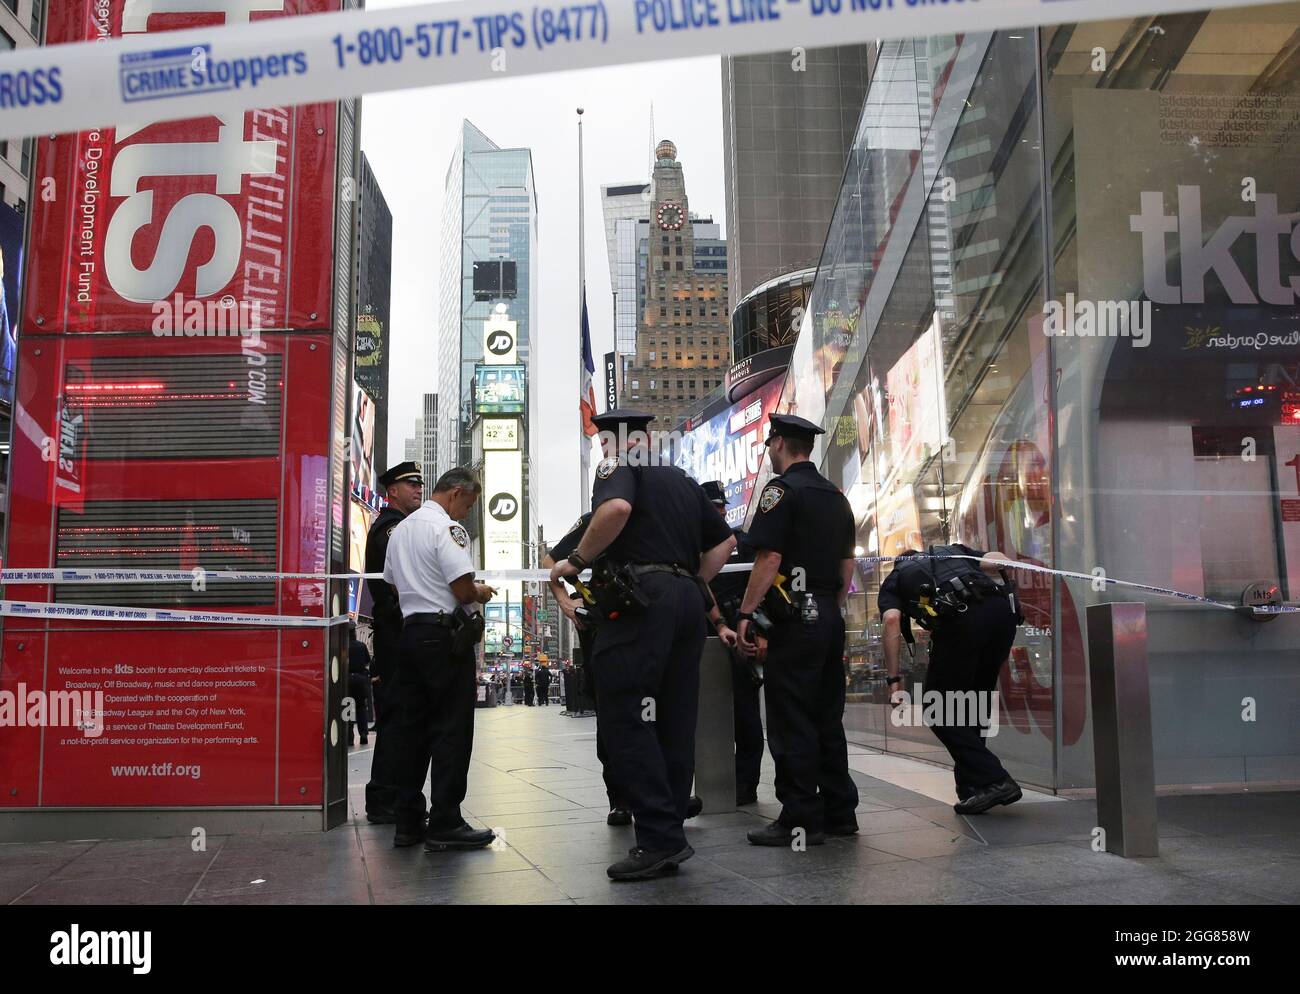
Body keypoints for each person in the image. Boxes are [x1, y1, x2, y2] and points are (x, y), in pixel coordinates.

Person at [550, 409, 734, 881]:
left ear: (612, 441)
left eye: (602, 442)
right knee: (674, 718)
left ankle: (656, 838)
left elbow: (615, 510)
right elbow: (725, 543)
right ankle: (669, 830)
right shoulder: (680, 479)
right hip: (686, 603)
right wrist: (692, 583)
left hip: (639, 605)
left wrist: (575, 561)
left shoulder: (617, 468)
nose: (602, 450)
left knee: (626, 715)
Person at [736, 413, 859, 847]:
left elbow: (768, 559)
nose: (769, 451)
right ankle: (841, 811)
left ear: (782, 443)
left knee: (791, 718)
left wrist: (747, 613)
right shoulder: (836, 496)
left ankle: (801, 817)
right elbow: (847, 567)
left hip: (795, 619)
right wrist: (829, 608)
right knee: (828, 715)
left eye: (770, 444)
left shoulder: (781, 490)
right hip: (828, 614)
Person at [383, 467, 498, 851]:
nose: (465, 512)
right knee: (451, 728)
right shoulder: (447, 529)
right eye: (468, 503)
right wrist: (481, 590)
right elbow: (462, 590)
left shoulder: (400, 531)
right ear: (454, 494)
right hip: (443, 638)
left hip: (410, 634)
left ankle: (407, 821)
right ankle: (446, 819)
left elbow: (392, 582)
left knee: (411, 730)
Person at [880, 545, 1023, 814]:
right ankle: (975, 788)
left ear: (899, 562)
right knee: (975, 702)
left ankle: (995, 780)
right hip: (1002, 615)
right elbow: (999, 562)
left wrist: (893, 680)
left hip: (962, 618)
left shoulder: (896, 576)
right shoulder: (953, 551)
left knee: (938, 708)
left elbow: (891, 621)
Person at [545, 513, 630, 825]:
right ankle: (619, 798)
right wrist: (565, 602)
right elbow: (550, 560)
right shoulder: (597, 518)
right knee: (610, 715)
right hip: (601, 624)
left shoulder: (653, 510)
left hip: (646, 622)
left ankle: (666, 794)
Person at [363, 461, 425, 824]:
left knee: (403, 718)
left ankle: (394, 797)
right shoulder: (391, 528)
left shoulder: (400, 526)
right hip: (395, 635)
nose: (417, 489)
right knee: (397, 719)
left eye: (419, 483)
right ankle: (384, 799)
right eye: (409, 484)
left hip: (399, 634)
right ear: (392, 492)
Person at [700, 480, 765, 807]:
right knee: (701, 714)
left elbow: (761, 585)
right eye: (713, 509)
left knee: (747, 715)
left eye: (722, 508)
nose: (720, 513)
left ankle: (745, 785)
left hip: (740, 634)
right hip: (706, 636)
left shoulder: (743, 542)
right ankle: (710, 784)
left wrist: (756, 627)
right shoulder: (692, 544)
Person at [347, 624, 373, 746]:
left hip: (347, 680)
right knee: (361, 707)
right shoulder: (362, 646)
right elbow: (367, 661)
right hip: (361, 679)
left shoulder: (342, 646)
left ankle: (349, 737)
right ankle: (363, 734)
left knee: (348, 707)